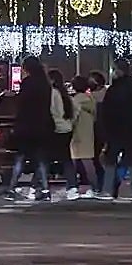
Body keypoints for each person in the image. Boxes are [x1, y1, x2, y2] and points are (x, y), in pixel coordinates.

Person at [0, 56, 53, 201]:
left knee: (20, 158)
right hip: (42, 125)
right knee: (41, 159)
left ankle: (11, 188)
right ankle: (46, 189)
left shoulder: (27, 83)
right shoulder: (45, 84)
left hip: (26, 125)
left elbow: (21, 104)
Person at [96, 59, 132, 200]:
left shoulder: (114, 89)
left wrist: (106, 129)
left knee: (111, 160)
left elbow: (107, 111)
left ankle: (107, 190)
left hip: (116, 130)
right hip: (131, 130)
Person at [47, 68, 77, 198]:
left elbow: (53, 110)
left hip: (57, 128)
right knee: (66, 158)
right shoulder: (65, 94)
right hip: (67, 128)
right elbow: (74, 112)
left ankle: (39, 185)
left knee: (47, 157)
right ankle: (72, 186)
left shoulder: (53, 93)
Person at [70, 75, 98, 197]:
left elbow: (73, 118)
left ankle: (72, 186)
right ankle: (95, 186)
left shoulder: (75, 100)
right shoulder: (90, 99)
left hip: (77, 134)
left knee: (73, 162)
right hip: (88, 133)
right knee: (88, 162)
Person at [89, 70, 108, 191]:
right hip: (98, 131)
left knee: (96, 158)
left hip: (98, 131)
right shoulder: (96, 95)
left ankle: (101, 183)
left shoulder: (98, 97)